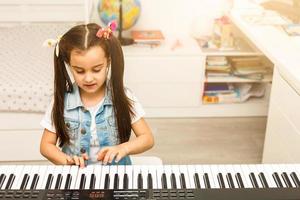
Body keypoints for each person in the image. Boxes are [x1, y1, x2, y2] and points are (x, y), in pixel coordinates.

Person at [40, 22, 154, 168]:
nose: (88, 78)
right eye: (80, 71)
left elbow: (147, 138)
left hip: (116, 176)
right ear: (69, 65)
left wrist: (123, 148)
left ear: (108, 62)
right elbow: (46, 145)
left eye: (96, 69)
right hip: (77, 177)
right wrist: (66, 160)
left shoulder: (124, 96)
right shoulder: (61, 100)